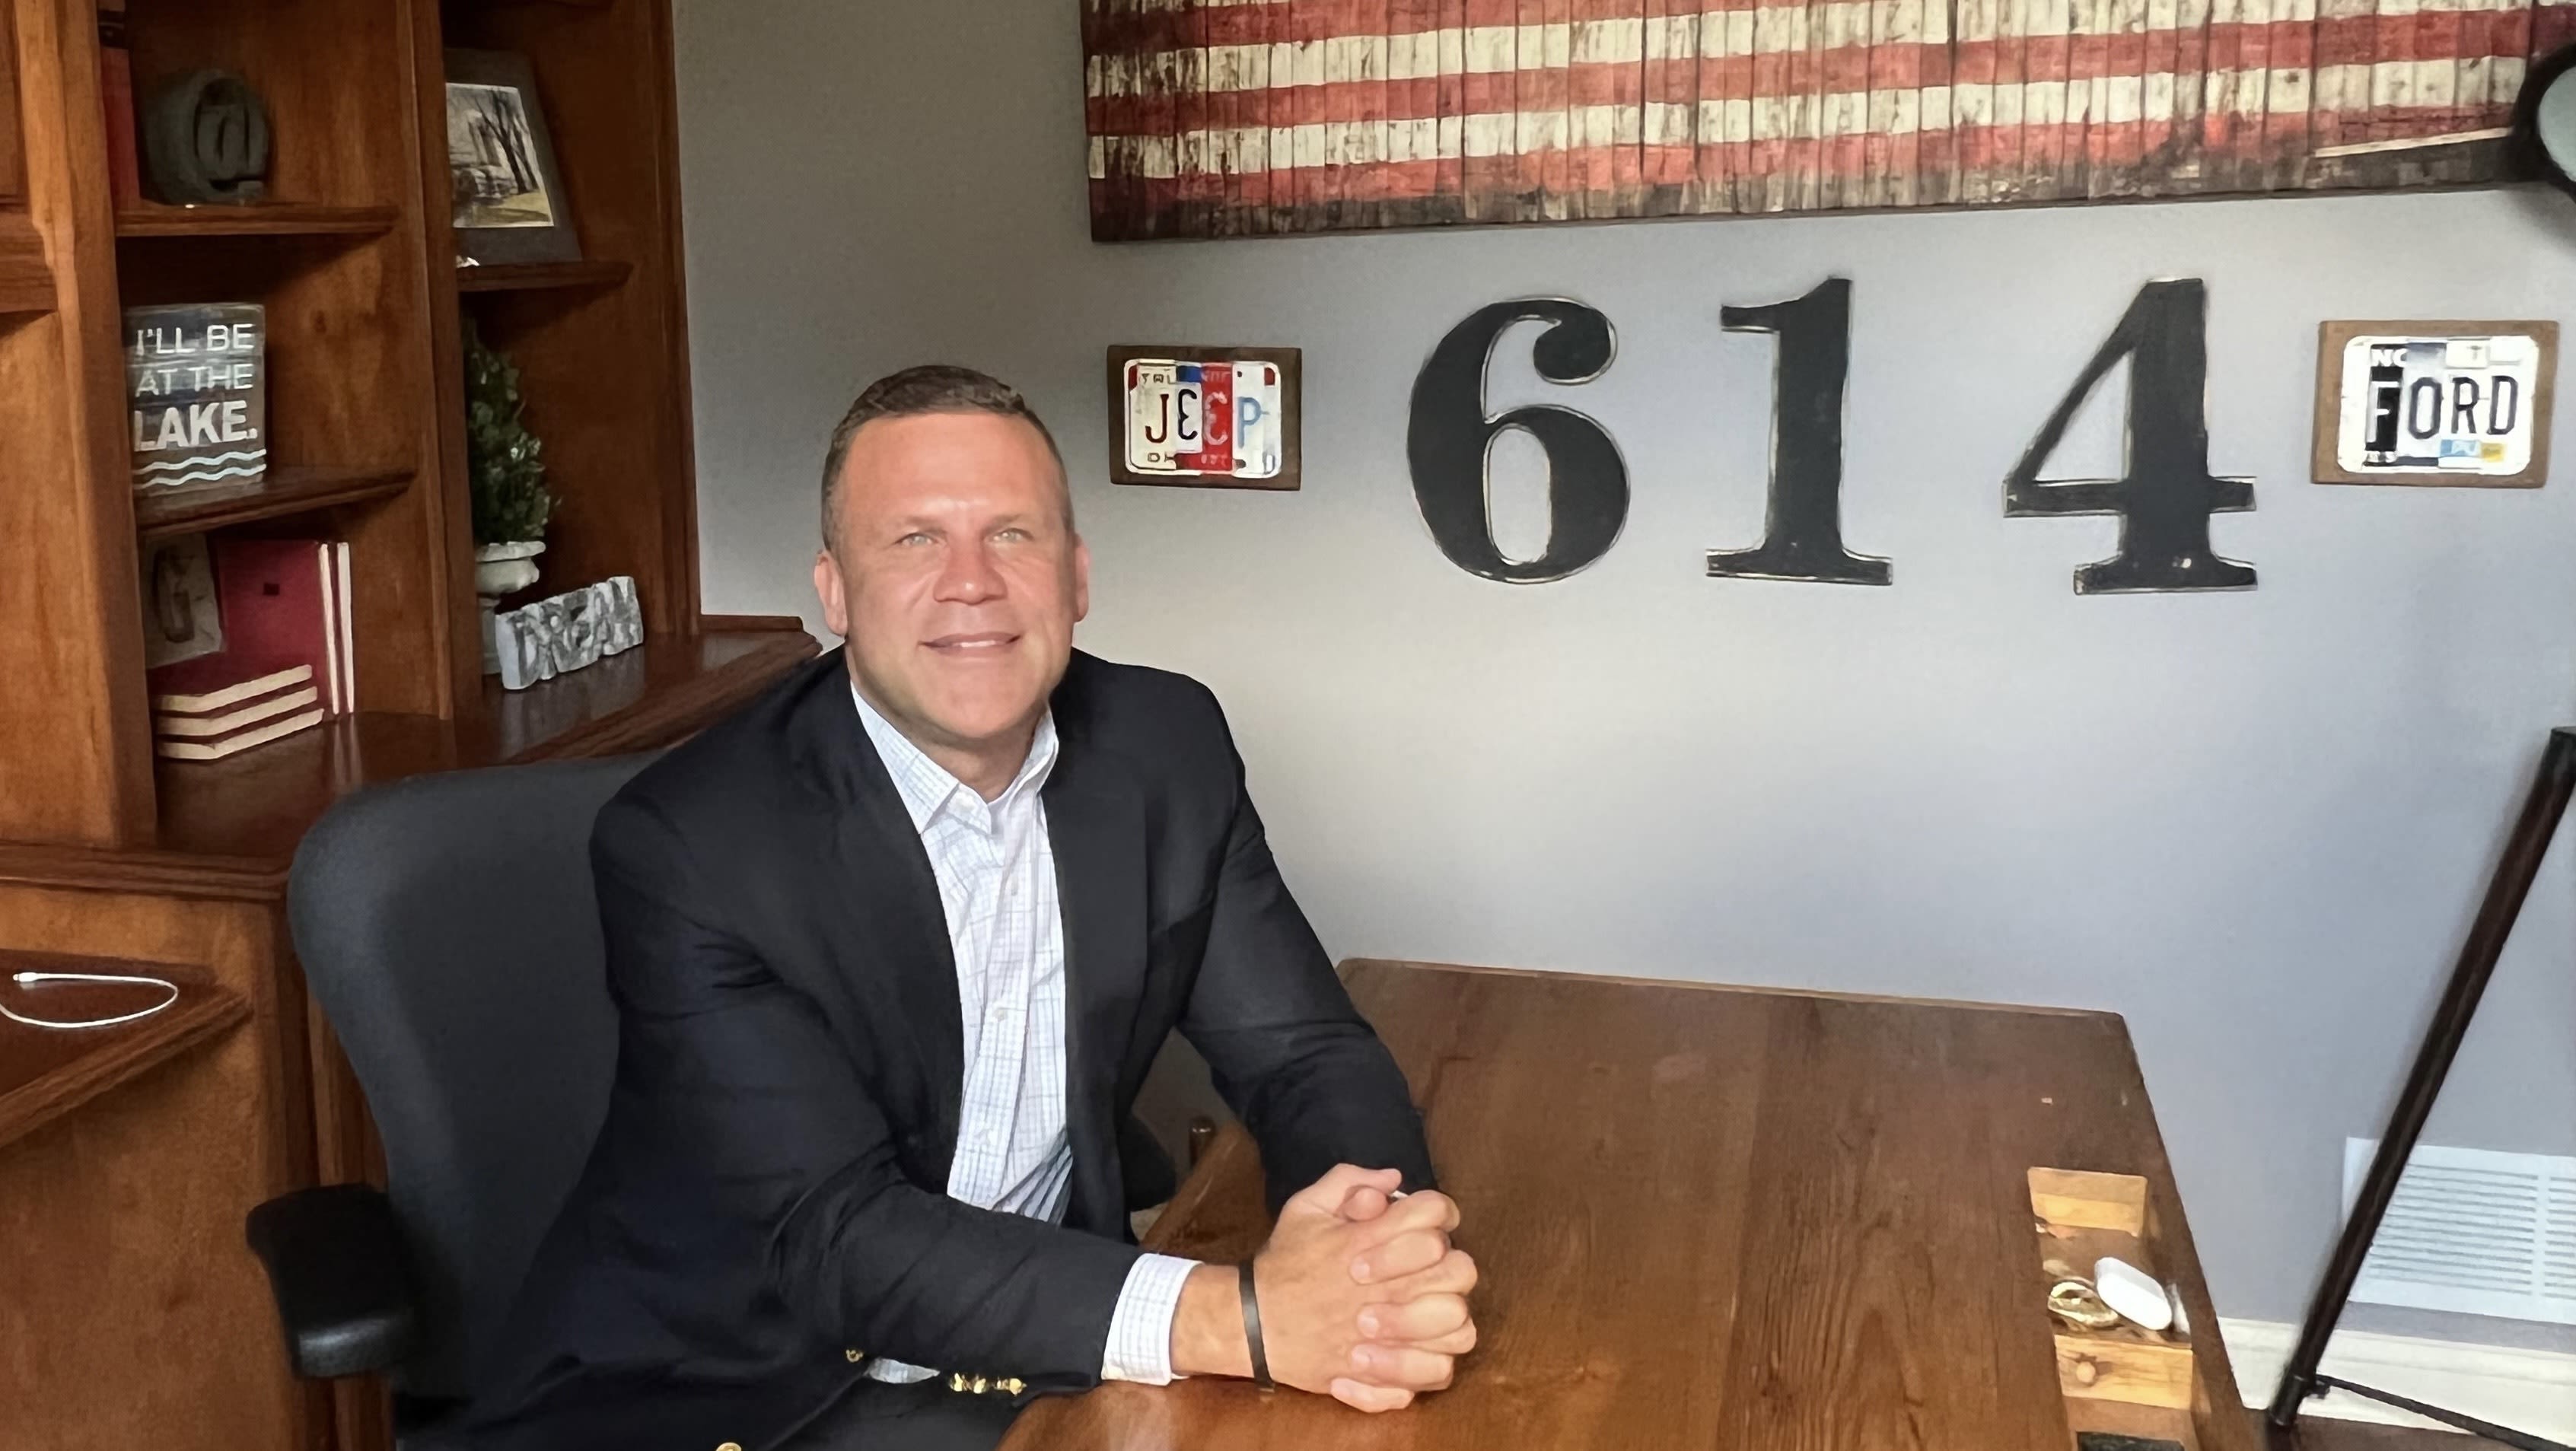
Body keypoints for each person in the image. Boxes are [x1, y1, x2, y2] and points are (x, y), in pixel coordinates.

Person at [466, 366, 1479, 1451]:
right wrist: (1248, 1320)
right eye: (912, 541)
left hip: (1050, 1348)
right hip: (740, 1388)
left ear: (1076, 576)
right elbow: (835, 1237)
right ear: (834, 592)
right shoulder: (693, 843)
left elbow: (1303, 1053)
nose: (970, 583)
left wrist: (1371, 1258)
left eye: (1013, 535)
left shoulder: (1162, 749)